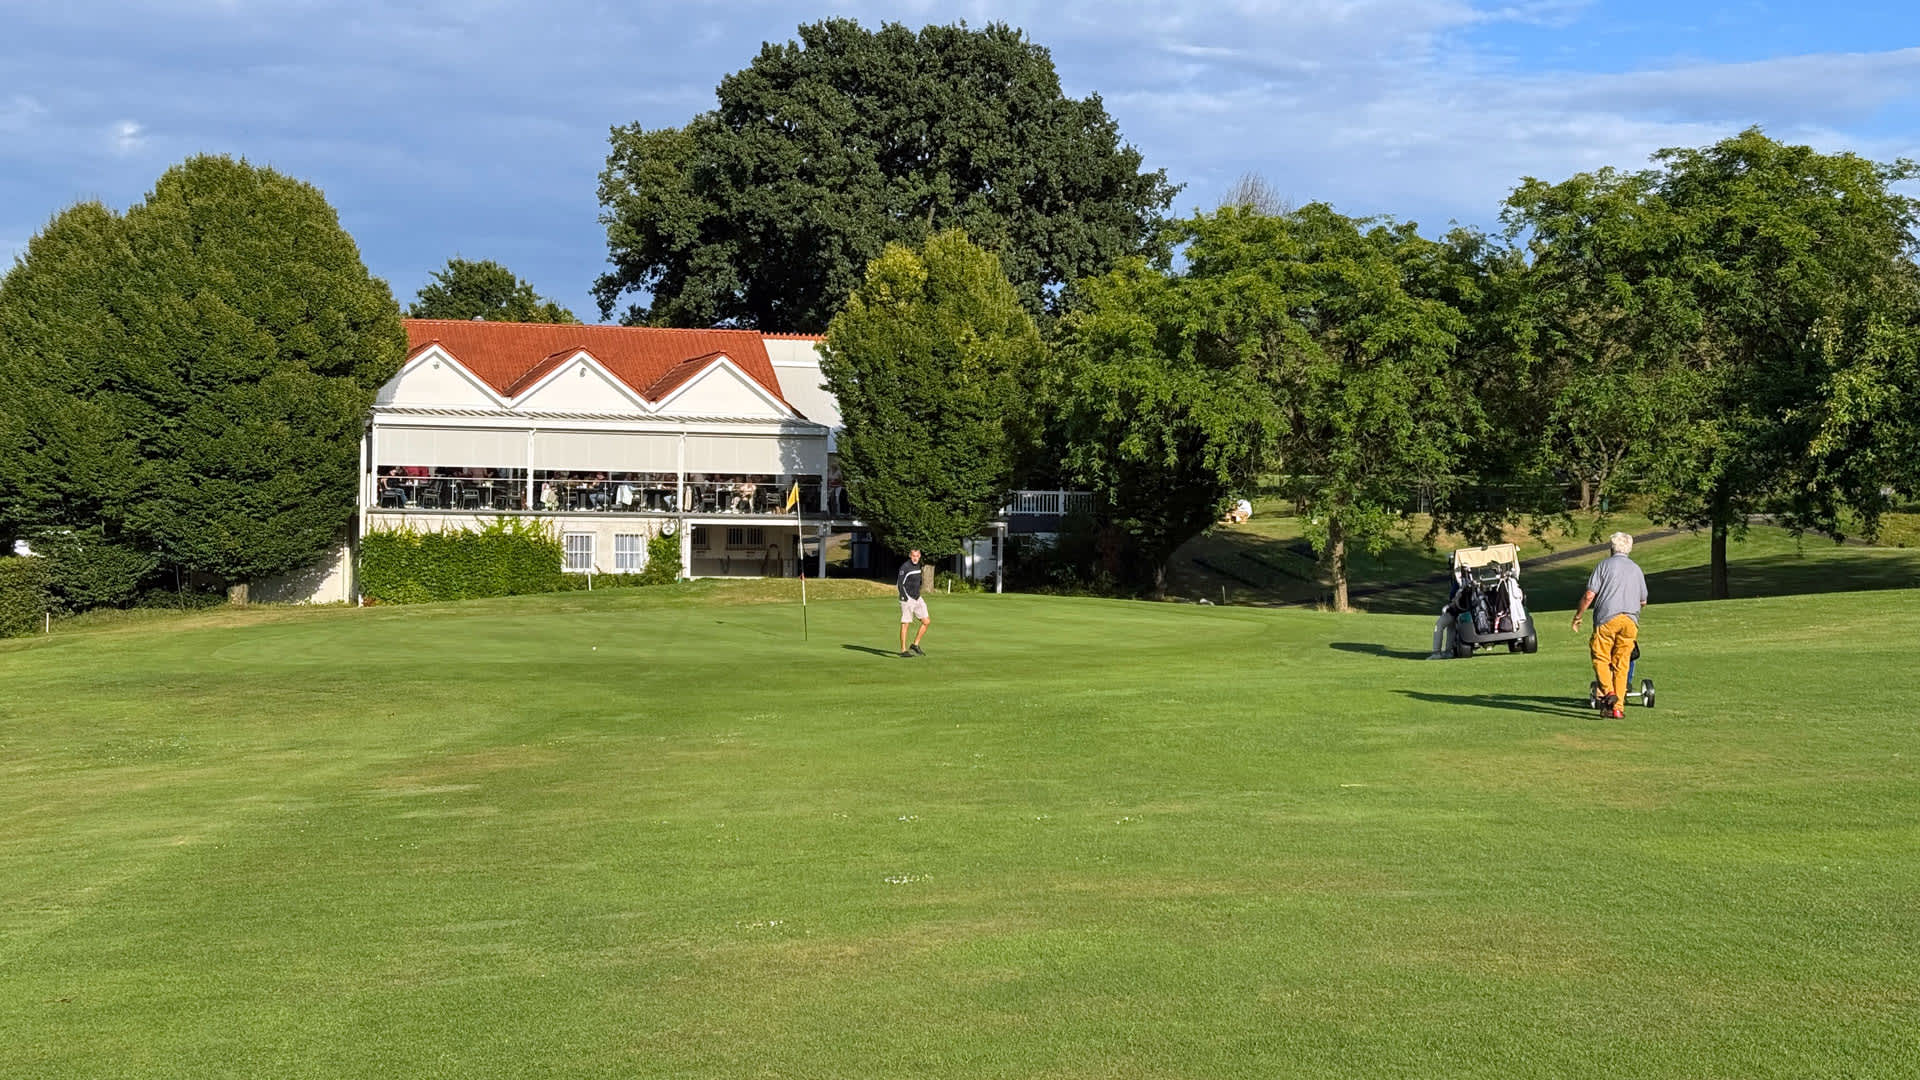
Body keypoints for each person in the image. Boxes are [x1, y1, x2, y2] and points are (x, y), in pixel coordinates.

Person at [1571, 531, 1649, 719]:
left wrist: (1578, 616)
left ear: (1611, 547)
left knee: (1600, 657)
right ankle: (1618, 708)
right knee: (1622, 664)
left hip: (1607, 618)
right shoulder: (1636, 569)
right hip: (1630, 620)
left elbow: (1590, 595)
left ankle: (1608, 692)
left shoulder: (1604, 565)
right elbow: (1643, 601)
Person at [897, 548, 930, 657]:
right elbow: (900, 584)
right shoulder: (905, 567)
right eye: (913, 556)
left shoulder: (919, 565)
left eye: (917, 556)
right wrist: (905, 597)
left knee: (926, 621)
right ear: (910, 556)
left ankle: (915, 645)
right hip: (907, 599)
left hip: (917, 598)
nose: (915, 558)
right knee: (905, 624)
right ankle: (903, 650)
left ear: (919, 556)